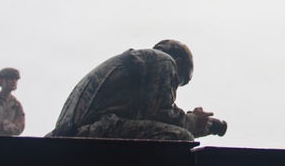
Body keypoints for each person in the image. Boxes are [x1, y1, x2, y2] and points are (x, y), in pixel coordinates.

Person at [48, 39, 226, 140]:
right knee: (180, 138)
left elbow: (144, 119)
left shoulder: (139, 63)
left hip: (73, 134)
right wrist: (194, 121)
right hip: (86, 134)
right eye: (179, 81)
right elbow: (159, 114)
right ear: (178, 63)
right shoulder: (164, 61)